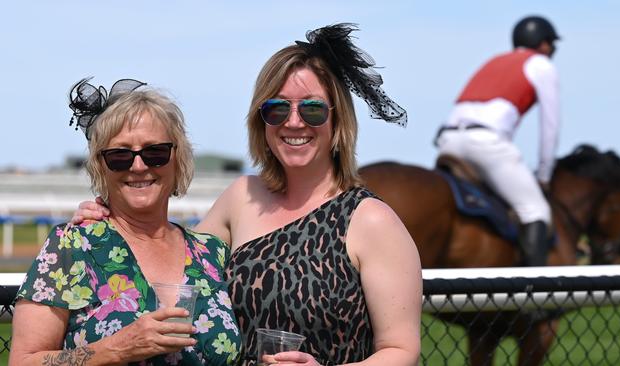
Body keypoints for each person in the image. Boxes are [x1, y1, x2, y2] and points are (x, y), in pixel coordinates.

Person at [72, 23, 422, 366]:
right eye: (278, 109)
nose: (294, 122)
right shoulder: (242, 196)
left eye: (312, 109)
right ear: (261, 120)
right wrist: (110, 219)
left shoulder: (371, 219)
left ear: (338, 121)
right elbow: (176, 259)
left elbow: (400, 350)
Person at [10, 78, 241, 365]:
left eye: (155, 152)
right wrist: (115, 349)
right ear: (100, 166)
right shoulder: (72, 247)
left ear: (177, 158)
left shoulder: (213, 253)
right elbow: (23, 361)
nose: (139, 166)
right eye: (120, 156)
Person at [435, 15, 561, 266]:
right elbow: (550, 127)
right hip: (485, 142)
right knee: (535, 211)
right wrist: (545, 175)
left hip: (449, 140)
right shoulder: (542, 64)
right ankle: (533, 299)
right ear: (545, 44)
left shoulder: (494, 61)